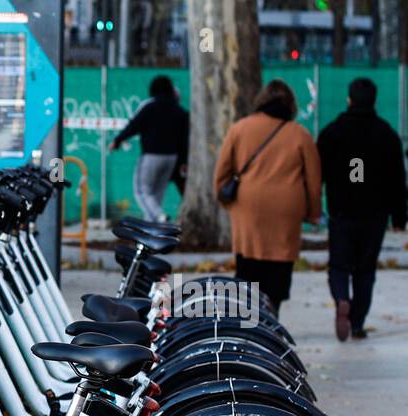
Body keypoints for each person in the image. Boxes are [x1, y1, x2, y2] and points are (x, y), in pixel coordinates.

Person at [214, 79, 322, 317]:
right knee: (279, 266)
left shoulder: (239, 129)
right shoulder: (300, 134)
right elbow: (314, 181)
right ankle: (273, 317)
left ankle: (249, 322)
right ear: (291, 105)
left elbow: (221, 174)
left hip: (248, 208)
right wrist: (314, 212)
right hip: (286, 210)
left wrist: (228, 202)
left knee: (248, 265)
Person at [317, 77, 408, 340]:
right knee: (366, 269)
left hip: (342, 211)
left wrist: (314, 204)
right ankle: (356, 322)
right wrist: (399, 216)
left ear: (349, 99)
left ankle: (341, 298)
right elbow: (397, 180)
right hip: (374, 214)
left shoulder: (333, 132)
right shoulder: (387, 134)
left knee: (339, 265)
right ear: (374, 100)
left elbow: (317, 172)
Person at [110, 75, 189, 222]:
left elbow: (133, 126)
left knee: (142, 191)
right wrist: (183, 160)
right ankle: (152, 230)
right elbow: (184, 139)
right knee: (158, 194)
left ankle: (159, 216)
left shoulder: (150, 107)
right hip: (172, 158)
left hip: (151, 156)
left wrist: (117, 140)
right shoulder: (180, 111)